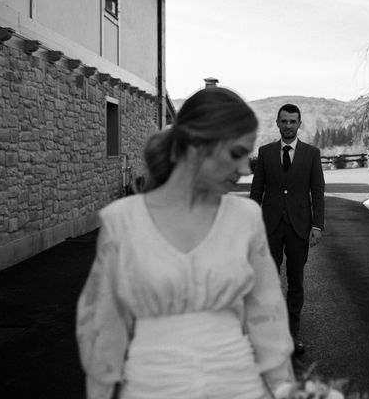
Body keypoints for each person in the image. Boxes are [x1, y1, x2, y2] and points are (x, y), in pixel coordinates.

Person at [76, 87, 295, 399]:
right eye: (236, 153)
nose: (246, 169)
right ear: (195, 145)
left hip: (240, 388)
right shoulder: (123, 221)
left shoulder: (245, 217)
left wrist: (283, 389)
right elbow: (102, 327)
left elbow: (268, 319)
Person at [250, 103, 325, 355]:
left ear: (299, 124)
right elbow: (256, 191)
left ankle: (292, 338)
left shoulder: (311, 154)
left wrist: (317, 225)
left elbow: (318, 192)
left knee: (296, 284)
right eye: (284, 121)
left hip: (299, 228)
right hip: (269, 227)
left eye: (293, 121)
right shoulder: (265, 152)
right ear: (277, 123)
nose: (288, 125)